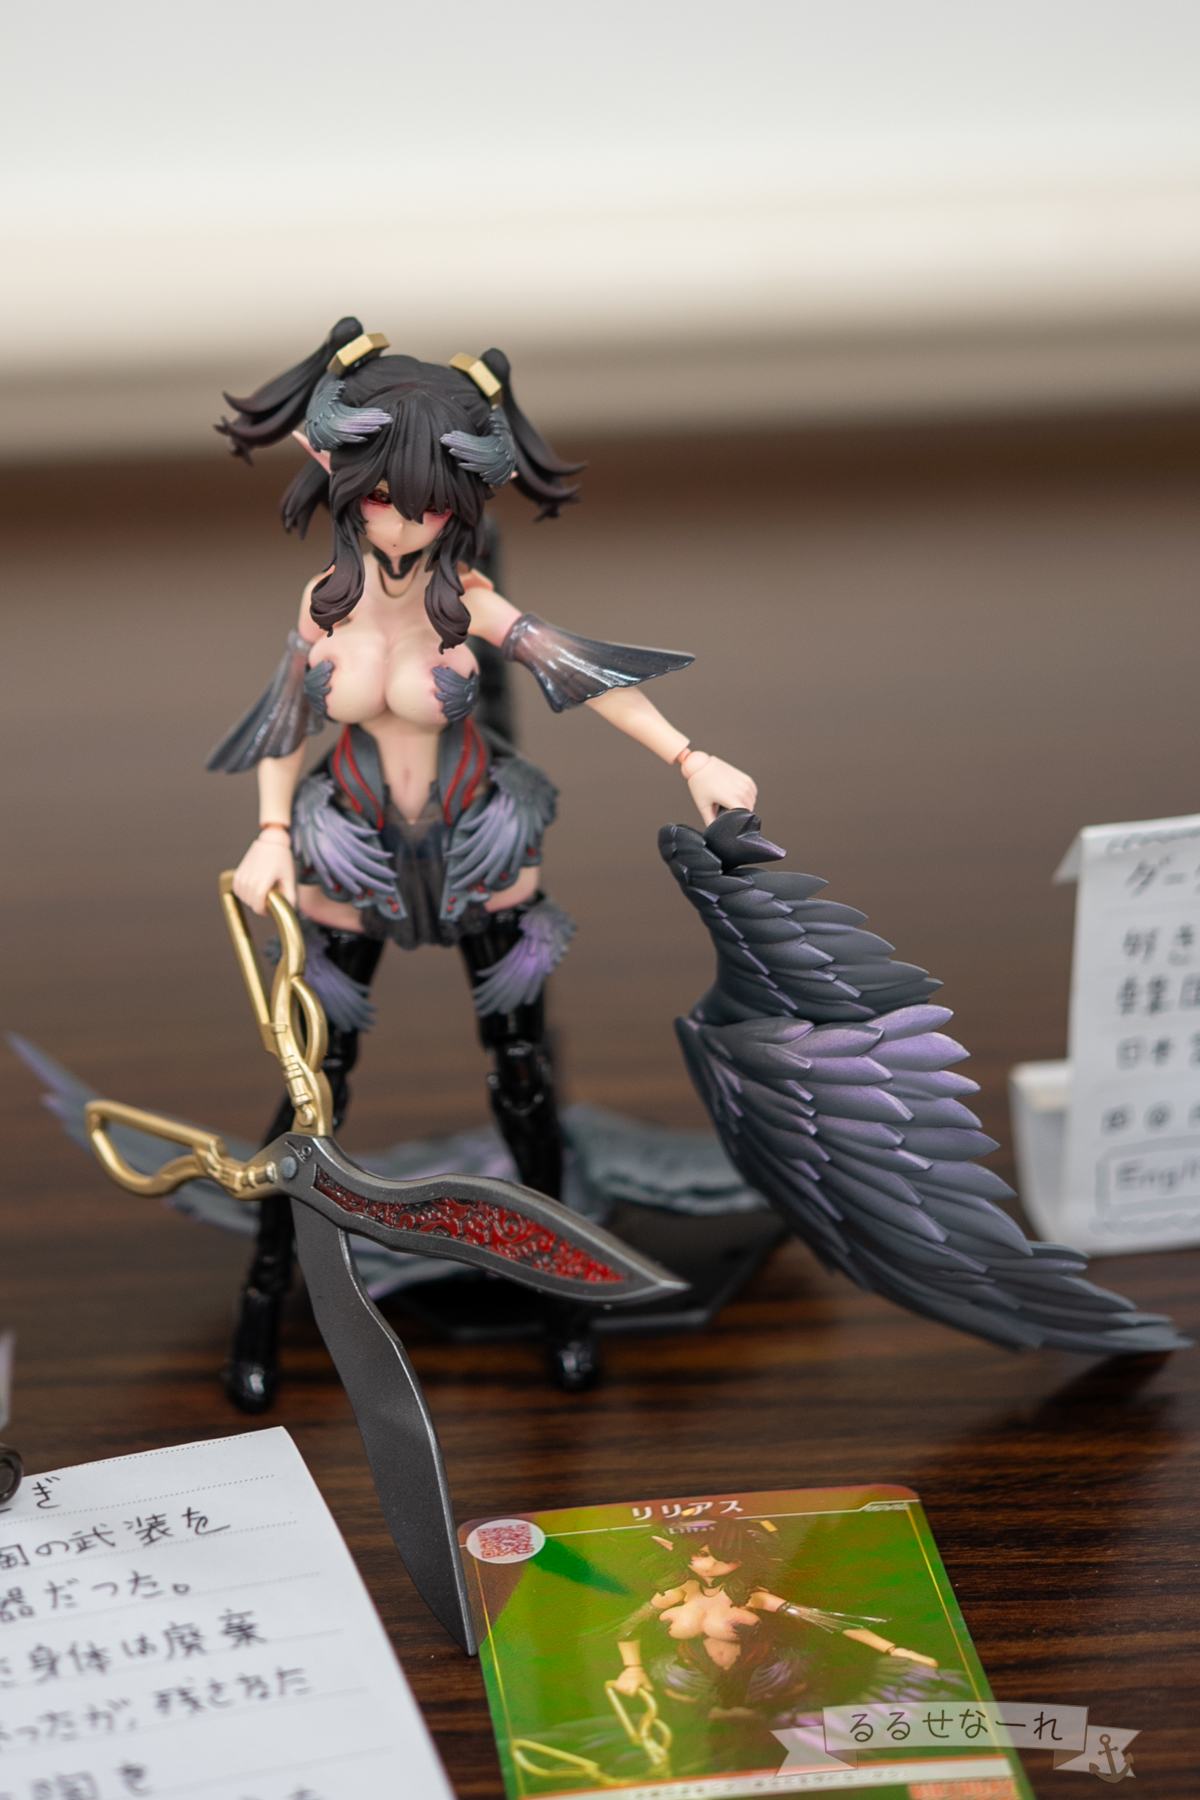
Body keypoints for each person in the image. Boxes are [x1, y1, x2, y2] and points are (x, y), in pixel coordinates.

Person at [208, 318, 757, 1408]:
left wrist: (692, 758)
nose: (404, 521)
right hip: (350, 846)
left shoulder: (474, 605)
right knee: (313, 1085)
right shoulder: (320, 607)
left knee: (522, 1085)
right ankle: (261, 1301)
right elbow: (284, 726)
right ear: (339, 474)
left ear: (468, 496)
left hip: (480, 845)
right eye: (383, 495)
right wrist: (269, 833)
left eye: (430, 501)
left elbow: (587, 679)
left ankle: (562, 1303)